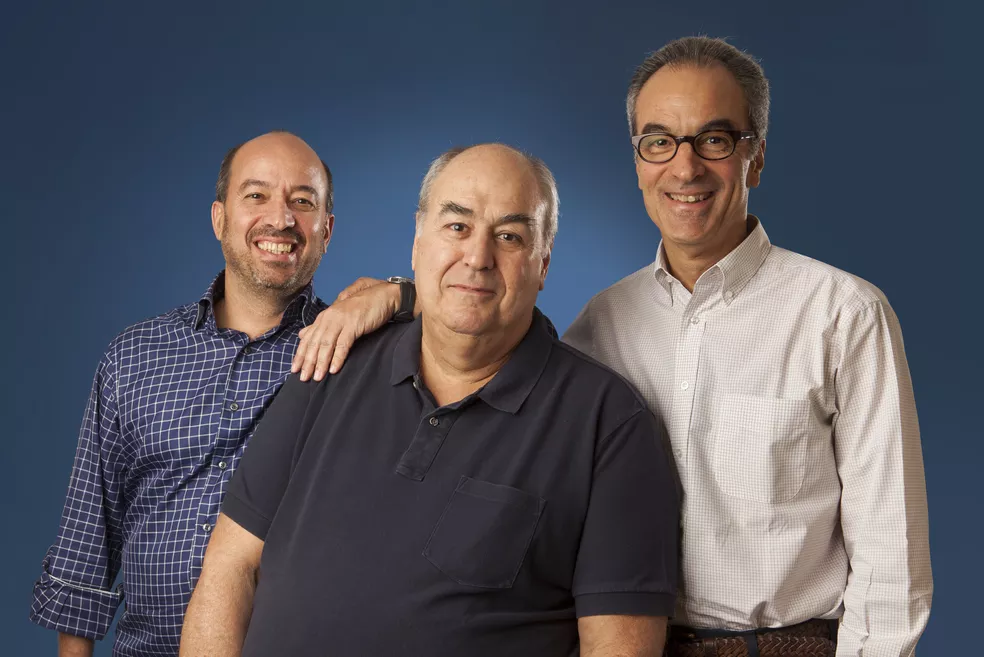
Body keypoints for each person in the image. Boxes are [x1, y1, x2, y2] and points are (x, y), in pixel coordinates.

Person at [293, 37, 932, 657]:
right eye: (659, 141)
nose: (685, 168)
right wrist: (406, 297)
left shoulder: (842, 315)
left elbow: (891, 558)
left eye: (714, 140)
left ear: (755, 157)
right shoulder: (604, 322)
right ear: (638, 161)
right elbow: (490, 335)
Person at [179, 143, 680, 657]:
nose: (477, 257)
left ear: (543, 263)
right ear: (418, 243)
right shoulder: (330, 362)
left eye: (509, 236)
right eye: (457, 227)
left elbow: (619, 650)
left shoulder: (610, 426)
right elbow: (230, 569)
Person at [30, 131, 414, 657]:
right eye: (256, 196)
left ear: (326, 230)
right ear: (219, 218)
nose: (280, 219)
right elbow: (87, 542)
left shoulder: (360, 354)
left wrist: (398, 293)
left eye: (302, 201)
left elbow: (498, 326)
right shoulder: (134, 357)